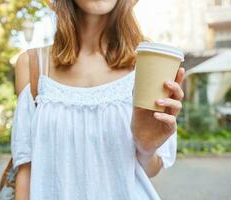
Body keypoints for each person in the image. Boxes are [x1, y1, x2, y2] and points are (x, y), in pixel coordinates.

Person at [11, 0, 185, 199]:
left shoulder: (149, 61)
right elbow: (25, 168)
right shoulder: (33, 65)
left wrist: (146, 146)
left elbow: (151, 170)